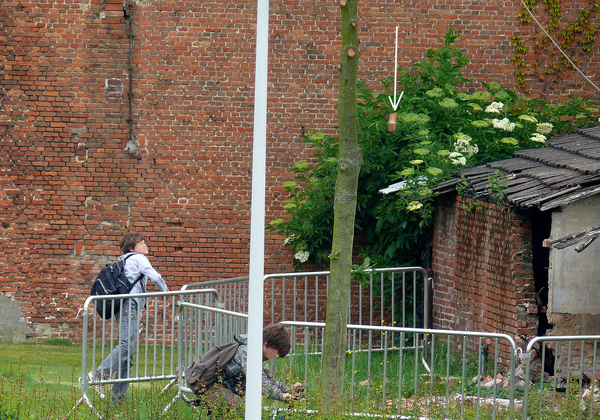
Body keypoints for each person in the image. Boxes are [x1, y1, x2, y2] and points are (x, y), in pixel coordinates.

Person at [88, 232, 169, 402]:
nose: (146, 245)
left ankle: (117, 397)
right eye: (142, 242)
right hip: (129, 306)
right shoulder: (138, 258)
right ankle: (100, 374)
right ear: (133, 247)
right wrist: (169, 294)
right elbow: (156, 277)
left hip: (125, 307)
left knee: (128, 355)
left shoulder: (124, 261)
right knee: (125, 347)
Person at [202, 323, 303, 415]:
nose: (275, 356)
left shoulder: (255, 351)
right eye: (276, 352)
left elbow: (268, 380)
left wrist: (289, 390)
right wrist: (282, 396)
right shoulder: (247, 352)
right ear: (267, 342)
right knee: (246, 410)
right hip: (210, 388)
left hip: (224, 389)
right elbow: (260, 384)